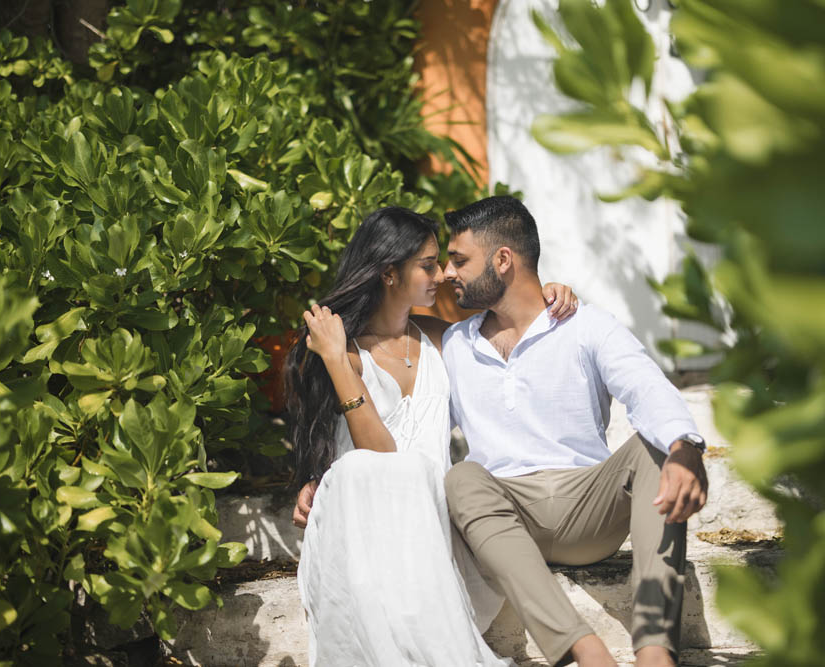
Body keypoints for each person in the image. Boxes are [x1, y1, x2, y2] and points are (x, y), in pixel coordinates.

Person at [284, 206, 578, 667]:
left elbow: (515, 324)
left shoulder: (445, 338)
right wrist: (338, 361)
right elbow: (379, 453)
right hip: (370, 540)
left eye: (441, 261)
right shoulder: (343, 354)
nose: (441, 274)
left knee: (425, 476)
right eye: (427, 265)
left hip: (437, 536)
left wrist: (552, 293)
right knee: (373, 467)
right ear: (388, 274)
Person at [439, 196, 709, 667]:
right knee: (462, 478)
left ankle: (654, 654)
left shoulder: (586, 325)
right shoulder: (454, 344)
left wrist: (685, 446)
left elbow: (645, 387)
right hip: (505, 517)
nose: (447, 272)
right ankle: (585, 653)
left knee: (655, 447)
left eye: (459, 259)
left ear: (503, 260)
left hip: (590, 508)